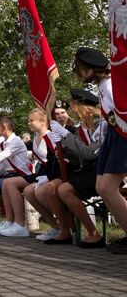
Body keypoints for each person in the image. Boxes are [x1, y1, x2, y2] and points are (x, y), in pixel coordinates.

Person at [73, 47, 127, 254]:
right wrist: (104, 128)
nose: (78, 74)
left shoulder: (111, 85)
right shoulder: (105, 85)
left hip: (122, 137)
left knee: (107, 187)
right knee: (102, 187)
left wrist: (110, 127)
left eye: (79, 69)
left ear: (89, 69)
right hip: (115, 136)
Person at [46, 90, 107, 247]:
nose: (72, 111)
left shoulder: (102, 124)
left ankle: (93, 233)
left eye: (74, 107)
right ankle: (70, 231)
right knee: (58, 189)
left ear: (82, 107)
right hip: (91, 170)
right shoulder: (84, 127)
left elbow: (88, 154)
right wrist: (63, 152)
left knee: (64, 190)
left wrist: (66, 135)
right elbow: (80, 157)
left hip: (105, 170)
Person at [0, 109, 58, 238]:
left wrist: (47, 177)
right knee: (10, 183)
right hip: (42, 172)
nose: (28, 124)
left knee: (29, 189)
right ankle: (54, 227)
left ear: (42, 121)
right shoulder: (36, 137)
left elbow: (55, 159)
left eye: (31, 121)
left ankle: (62, 226)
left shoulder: (50, 136)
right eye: (28, 121)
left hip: (52, 172)